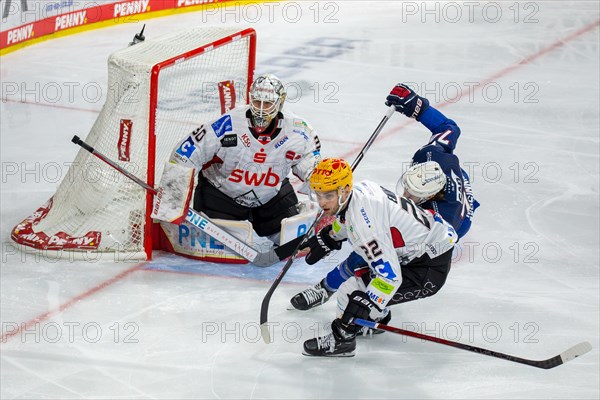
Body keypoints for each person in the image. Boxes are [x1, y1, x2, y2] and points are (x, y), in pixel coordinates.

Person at [290, 83, 479, 311]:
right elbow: (449, 128)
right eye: (406, 186)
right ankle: (330, 288)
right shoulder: (430, 156)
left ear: (430, 196)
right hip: (437, 190)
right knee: (370, 236)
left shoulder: (446, 221)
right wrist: (415, 106)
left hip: (438, 237)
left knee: (372, 249)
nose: (405, 195)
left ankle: (342, 295)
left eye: (413, 195)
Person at [300, 158, 457, 357]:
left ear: (344, 191)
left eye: (328, 196)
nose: (322, 203)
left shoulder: (365, 227)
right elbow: (346, 219)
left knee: (351, 294)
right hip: (421, 249)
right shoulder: (360, 190)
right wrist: (330, 236)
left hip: (426, 269)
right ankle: (377, 319)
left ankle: (342, 342)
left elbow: (390, 278)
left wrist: (368, 302)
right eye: (318, 195)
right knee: (358, 288)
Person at [170, 74, 321, 245]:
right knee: (223, 246)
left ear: (280, 102)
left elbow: (314, 172)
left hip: (269, 196)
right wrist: (172, 204)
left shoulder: (299, 131)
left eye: (268, 104)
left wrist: (324, 205)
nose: (261, 110)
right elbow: (184, 154)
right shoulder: (228, 123)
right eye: (257, 102)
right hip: (222, 196)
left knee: (294, 240)